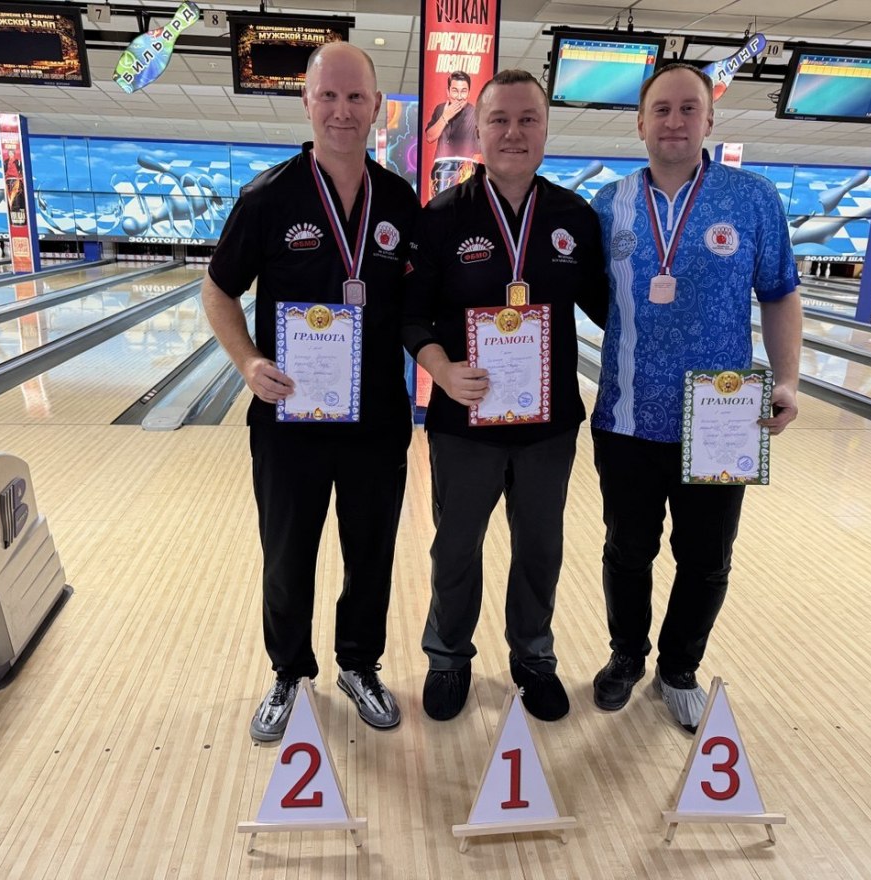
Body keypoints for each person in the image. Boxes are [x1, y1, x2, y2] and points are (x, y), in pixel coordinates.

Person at [203, 42, 419, 742]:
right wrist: (246, 362)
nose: (342, 110)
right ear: (306, 102)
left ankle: (358, 665)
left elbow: (417, 303)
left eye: (355, 97)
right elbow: (218, 290)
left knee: (370, 555)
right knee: (287, 555)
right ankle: (289, 673)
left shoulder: (398, 199)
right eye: (328, 95)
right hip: (288, 418)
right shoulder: (267, 198)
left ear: (376, 106)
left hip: (376, 421)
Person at [588, 63, 802, 731]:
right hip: (626, 413)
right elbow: (594, 300)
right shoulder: (609, 203)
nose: (674, 121)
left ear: (709, 120)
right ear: (640, 123)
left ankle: (678, 667)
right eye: (661, 109)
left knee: (706, 557)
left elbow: (780, 292)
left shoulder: (752, 198)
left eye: (688, 109)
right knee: (628, 549)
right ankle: (626, 655)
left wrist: (787, 378)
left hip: (722, 416)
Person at [404, 69, 608, 723]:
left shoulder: (574, 218)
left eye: (527, 119)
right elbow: (410, 315)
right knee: (455, 547)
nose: (513, 132)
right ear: (479, 129)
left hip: (548, 425)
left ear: (545, 129)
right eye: (499, 119)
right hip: (464, 420)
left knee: (540, 548)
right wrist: (441, 368)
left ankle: (533, 657)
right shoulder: (442, 217)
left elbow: (611, 310)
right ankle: (448, 656)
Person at [424, 71, 479, 200]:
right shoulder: (440, 109)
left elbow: (482, 148)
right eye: (455, 91)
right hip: (442, 170)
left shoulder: (475, 113)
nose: (459, 97)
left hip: (466, 170)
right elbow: (430, 137)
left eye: (463, 91)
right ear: (448, 92)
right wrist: (445, 116)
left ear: (468, 93)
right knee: (439, 209)